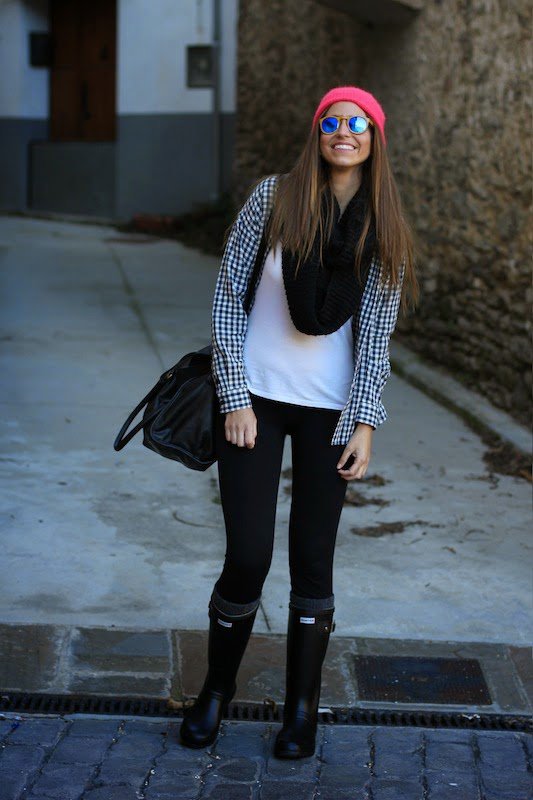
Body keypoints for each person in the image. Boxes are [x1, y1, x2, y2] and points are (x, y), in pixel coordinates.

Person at [180, 86, 419, 758]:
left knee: (313, 561)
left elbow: (374, 334)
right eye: (331, 121)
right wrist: (232, 397)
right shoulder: (272, 198)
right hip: (253, 400)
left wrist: (365, 420)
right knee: (248, 556)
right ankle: (216, 693)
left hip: (330, 414)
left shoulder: (381, 222)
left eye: (358, 123)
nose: (343, 132)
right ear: (317, 132)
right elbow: (228, 296)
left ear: (374, 138)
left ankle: (301, 711)